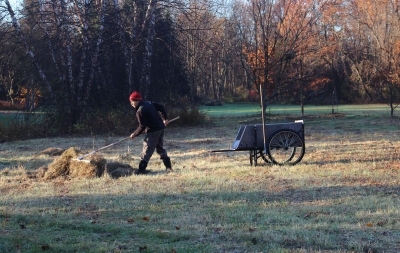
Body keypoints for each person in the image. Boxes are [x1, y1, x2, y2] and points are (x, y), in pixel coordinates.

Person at [129, 91, 172, 175]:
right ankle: (169, 167)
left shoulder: (140, 110)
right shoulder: (149, 103)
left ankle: (141, 170)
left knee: (147, 149)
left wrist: (135, 134)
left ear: (136, 101)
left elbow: (142, 126)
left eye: (132, 102)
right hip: (160, 128)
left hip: (154, 131)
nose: (131, 104)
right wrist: (165, 119)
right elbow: (161, 107)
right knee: (160, 148)